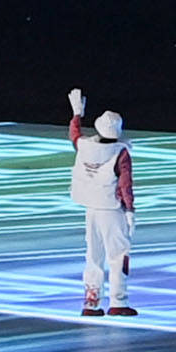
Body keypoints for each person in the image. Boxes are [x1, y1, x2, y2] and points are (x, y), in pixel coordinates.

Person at [65, 89, 137, 316]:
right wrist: (130, 211)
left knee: (93, 256)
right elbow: (125, 184)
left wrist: (77, 114)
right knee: (118, 255)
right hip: (112, 210)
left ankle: (91, 303)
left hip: (91, 208)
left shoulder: (86, 146)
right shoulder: (120, 152)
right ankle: (118, 301)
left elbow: (74, 134)